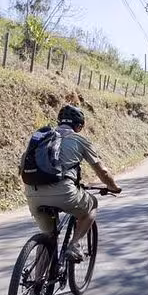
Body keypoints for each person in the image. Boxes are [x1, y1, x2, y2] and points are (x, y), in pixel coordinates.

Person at [21, 104, 121, 260]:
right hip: (64, 193)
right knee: (92, 205)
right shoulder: (79, 139)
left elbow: (23, 165)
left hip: (33, 194)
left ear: (59, 121)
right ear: (79, 126)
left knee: (48, 237)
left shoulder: (41, 138)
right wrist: (113, 187)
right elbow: (102, 171)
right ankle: (75, 244)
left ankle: (37, 281)